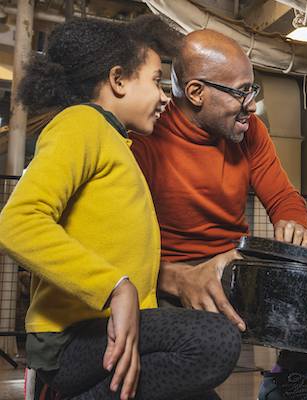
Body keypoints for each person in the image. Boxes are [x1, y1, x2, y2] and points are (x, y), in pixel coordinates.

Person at [130, 29, 307, 400]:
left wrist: (292, 221)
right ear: (196, 92)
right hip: (172, 278)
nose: (251, 105)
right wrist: (174, 278)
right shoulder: (143, 138)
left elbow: (283, 195)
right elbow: (118, 248)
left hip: (239, 266)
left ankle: (287, 378)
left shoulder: (250, 131)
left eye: (253, 91)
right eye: (240, 92)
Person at [0, 17, 240, 400]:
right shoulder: (80, 124)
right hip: (71, 338)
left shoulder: (118, 144)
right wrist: (115, 288)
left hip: (111, 329)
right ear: (119, 80)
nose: (165, 97)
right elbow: (16, 222)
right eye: (156, 81)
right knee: (216, 342)